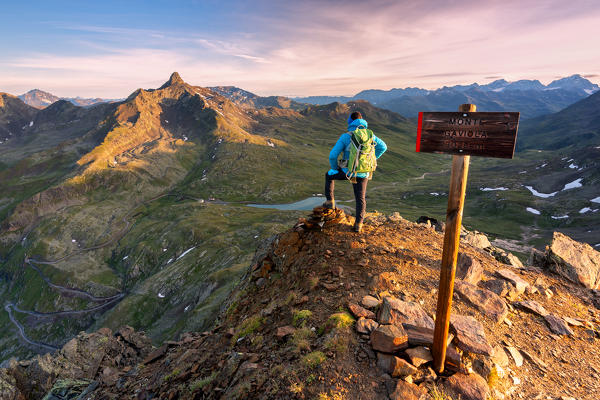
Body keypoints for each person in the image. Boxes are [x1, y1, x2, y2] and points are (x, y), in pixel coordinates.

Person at [323, 111, 387, 233]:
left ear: (350, 121)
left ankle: (330, 202)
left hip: (348, 172)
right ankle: (358, 225)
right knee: (360, 198)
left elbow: (333, 155)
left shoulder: (346, 136)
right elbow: (383, 147)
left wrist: (335, 168)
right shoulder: (370, 135)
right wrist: (371, 160)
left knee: (329, 175)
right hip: (363, 172)